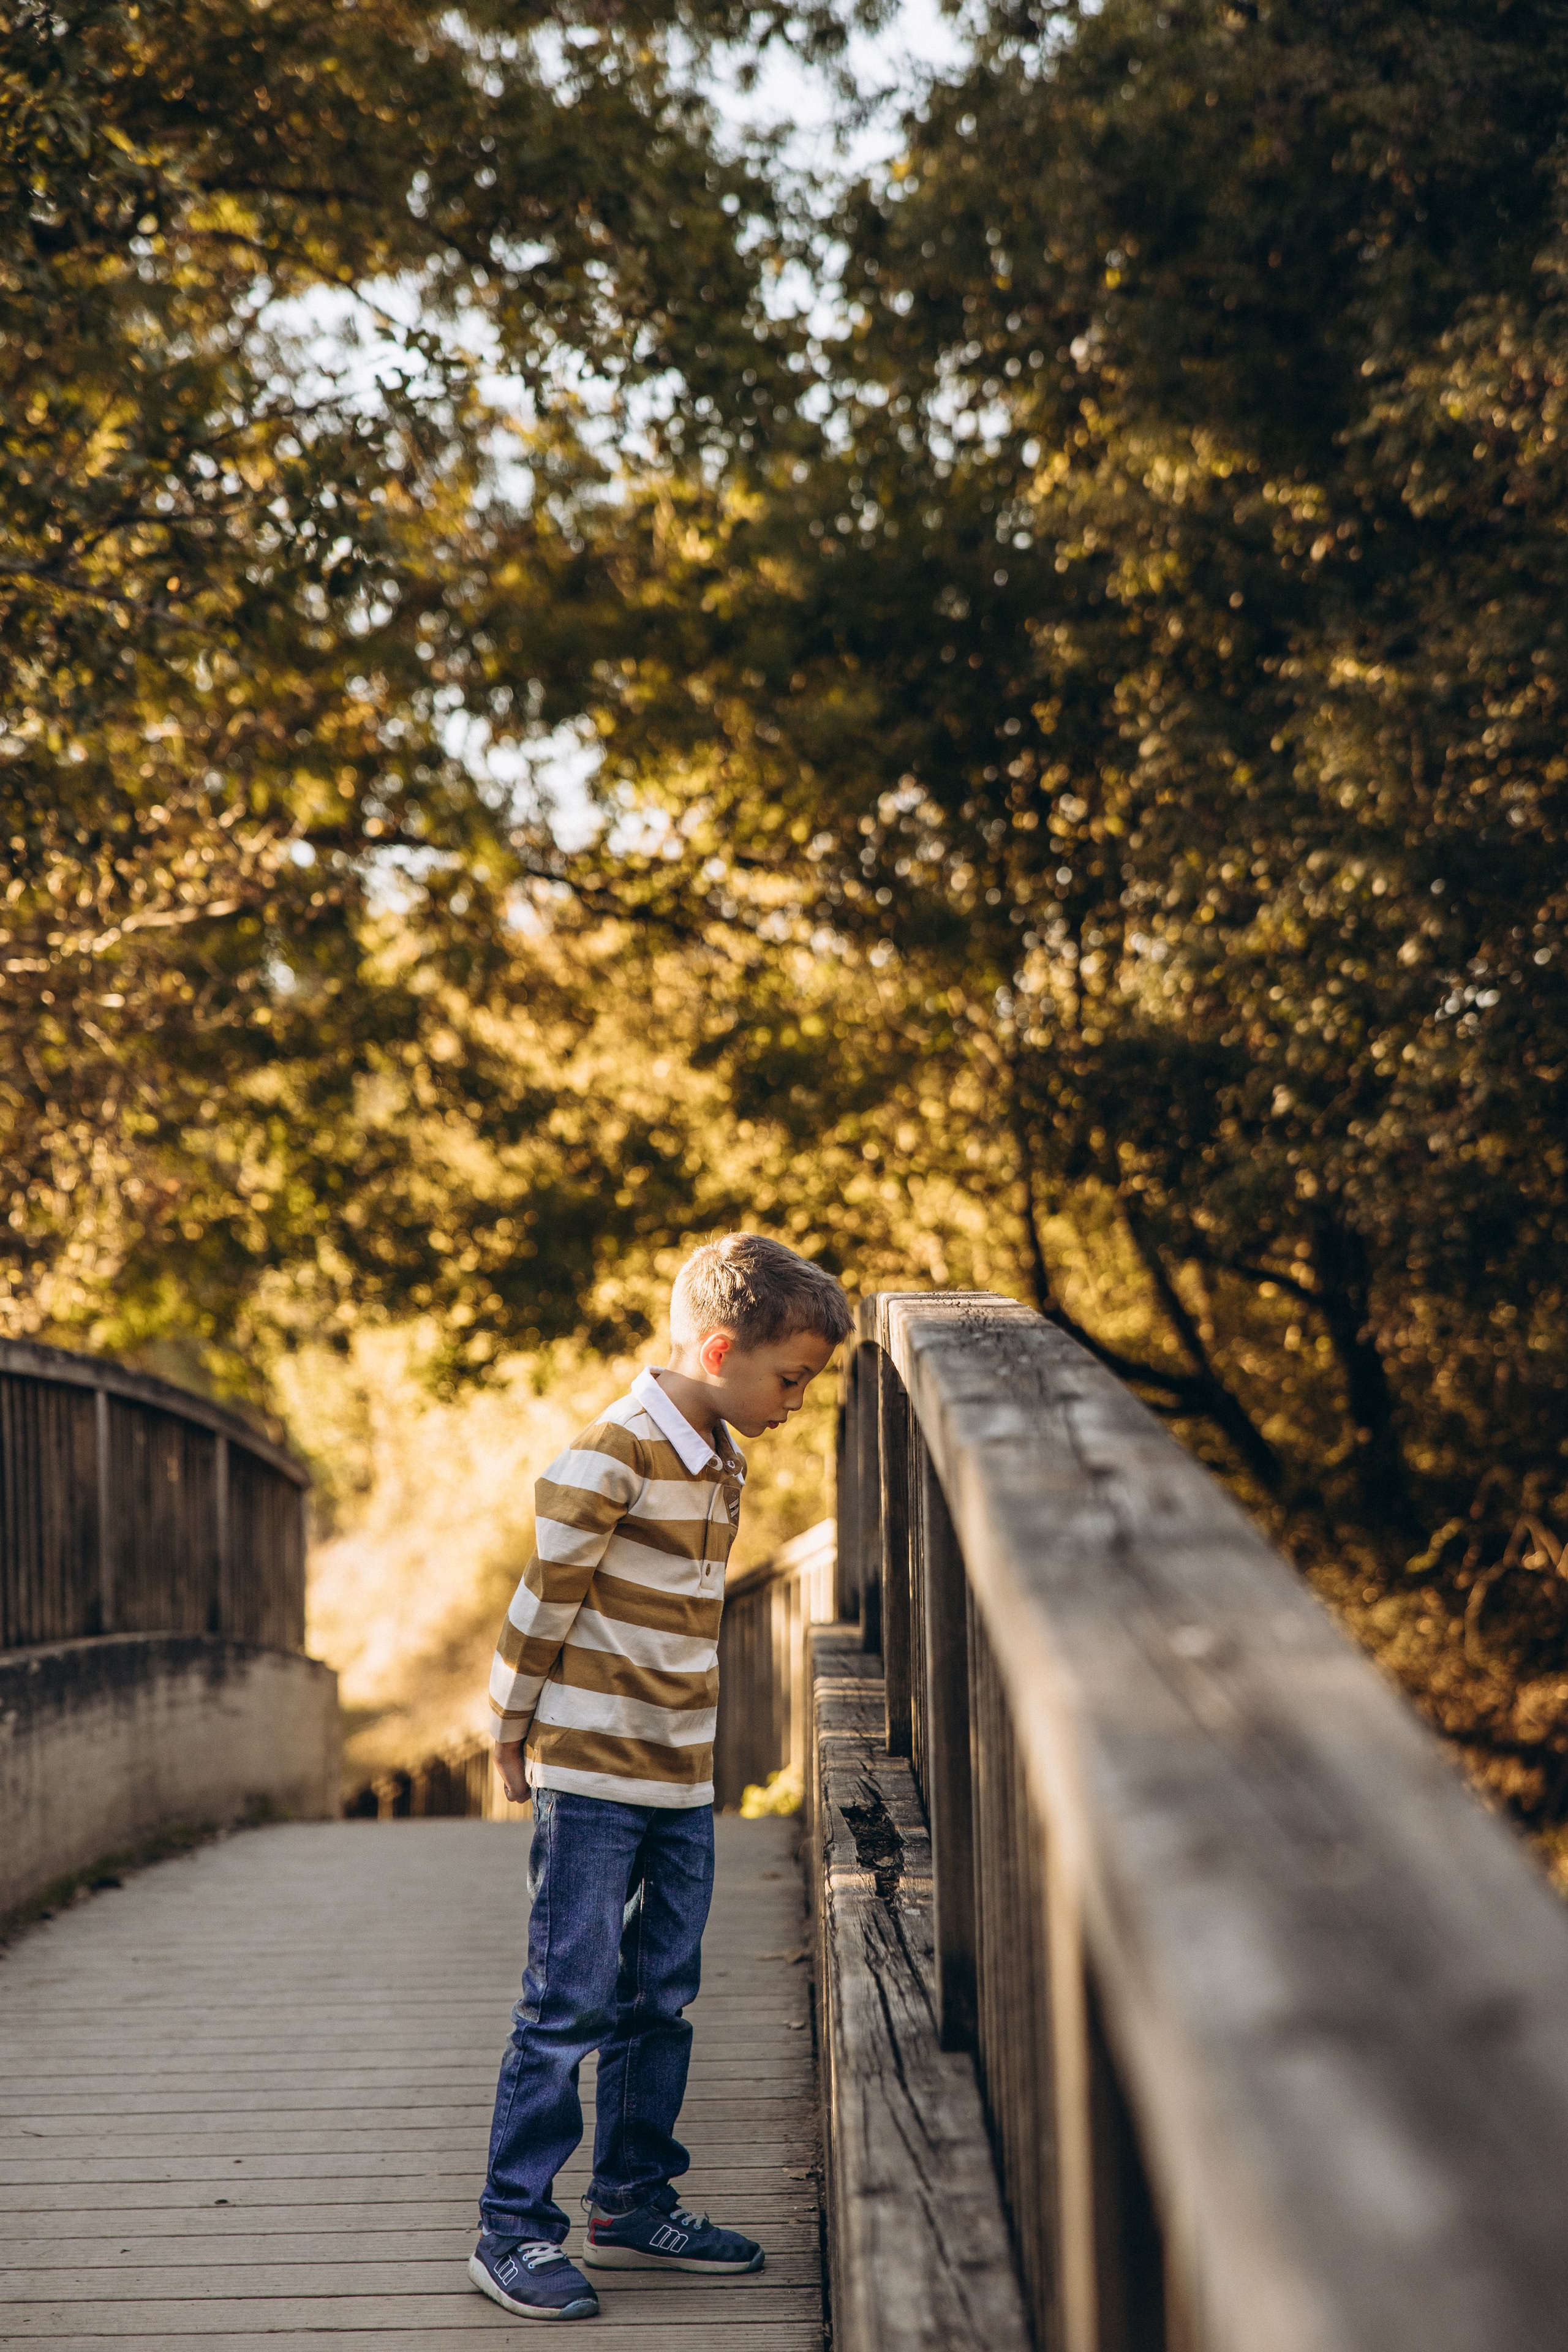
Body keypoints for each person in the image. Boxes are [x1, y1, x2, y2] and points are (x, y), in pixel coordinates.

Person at [468, 1231, 853, 2321]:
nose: (793, 1403)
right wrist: (509, 1726)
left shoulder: (722, 1452)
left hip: (680, 1779)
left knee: (661, 1995)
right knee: (567, 2002)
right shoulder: (613, 1452)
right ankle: (511, 2226)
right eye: (789, 1380)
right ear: (722, 1349)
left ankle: (633, 2195)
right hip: (591, 1774)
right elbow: (542, 1599)